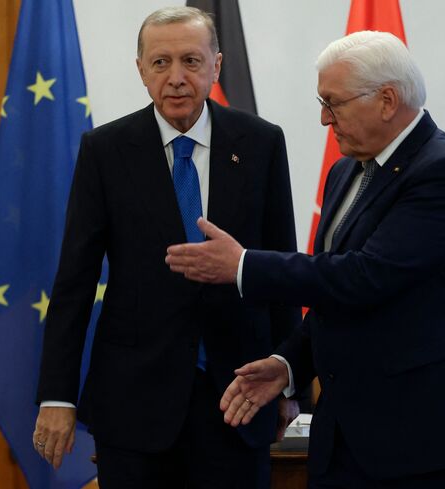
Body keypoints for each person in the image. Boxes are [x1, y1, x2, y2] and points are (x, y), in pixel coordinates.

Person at [166, 30, 445, 489]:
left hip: (426, 446)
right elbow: (334, 298)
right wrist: (289, 364)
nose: (324, 119)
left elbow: (365, 278)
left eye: (334, 103)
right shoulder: (346, 170)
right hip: (345, 444)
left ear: (387, 100)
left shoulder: (443, 172)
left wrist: (244, 265)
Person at [32, 6, 301, 489]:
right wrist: (57, 396)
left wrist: (290, 381)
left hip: (238, 399)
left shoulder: (261, 143)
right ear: (140, 70)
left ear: (216, 65)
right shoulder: (106, 151)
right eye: (161, 63)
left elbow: (280, 270)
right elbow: (74, 281)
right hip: (135, 406)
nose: (176, 78)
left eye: (191, 61)